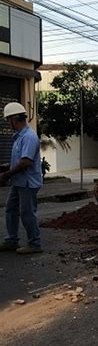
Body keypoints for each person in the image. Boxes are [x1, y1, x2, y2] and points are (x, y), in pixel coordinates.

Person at [0, 102, 43, 254]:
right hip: (19, 182)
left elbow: (26, 162)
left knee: (27, 213)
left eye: (8, 120)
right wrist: (6, 167)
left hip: (27, 182)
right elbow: (19, 160)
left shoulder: (29, 137)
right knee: (11, 210)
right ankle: (12, 240)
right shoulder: (19, 137)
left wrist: (6, 175)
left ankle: (34, 243)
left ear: (14, 119)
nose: (8, 123)